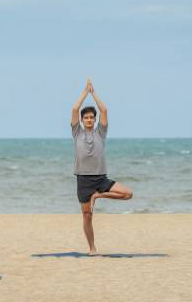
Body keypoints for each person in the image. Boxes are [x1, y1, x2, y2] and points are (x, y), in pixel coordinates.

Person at [71, 79, 133, 255]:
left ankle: (98, 195)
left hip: (100, 178)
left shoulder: (101, 132)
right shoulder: (77, 133)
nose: (89, 119)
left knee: (128, 194)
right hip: (83, 179)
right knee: (87, 216)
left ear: (95, 120)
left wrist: (94, 93)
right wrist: (85, 92)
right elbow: (75, 109)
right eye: (86, 118)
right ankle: (92, 248)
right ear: (82, 121)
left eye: (92, 117)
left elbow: (104, 110)